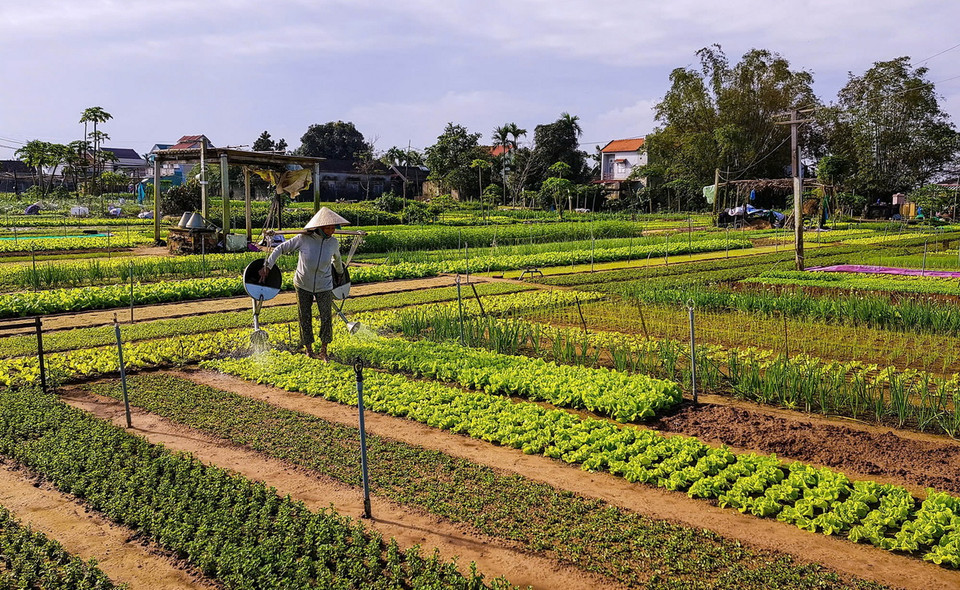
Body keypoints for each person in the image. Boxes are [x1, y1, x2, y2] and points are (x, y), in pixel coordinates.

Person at [259, 206, 347, 360]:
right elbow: (280, 248)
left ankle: (324, 351)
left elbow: (337, 260)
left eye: (334, 227)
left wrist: (340, 274)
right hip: (302, 284)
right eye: (329, 227)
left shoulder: (333, 243)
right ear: (320, 227)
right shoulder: (303, 238)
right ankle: (309, 349)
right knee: (304, 316)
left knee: (326, 316)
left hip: (324, 285)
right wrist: (268, 266)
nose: (332, 230)